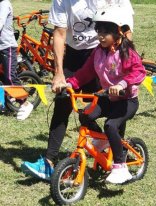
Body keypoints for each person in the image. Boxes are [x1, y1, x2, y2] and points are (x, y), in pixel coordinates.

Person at [21, 0, 134, 181]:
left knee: (113, 104)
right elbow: (59, 33)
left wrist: (123, 65)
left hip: (105, 55)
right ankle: (49, 162)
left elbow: (126, 31)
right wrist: (58, 74)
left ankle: (117, 159)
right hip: (75, 57)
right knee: (63, 103)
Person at [0, 0, 33, 120]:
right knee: (2, 76)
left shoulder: (4, 4)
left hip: (6, 46)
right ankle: (3, 102)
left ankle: (24, 103)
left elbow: (0, 22)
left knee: (9, 76)